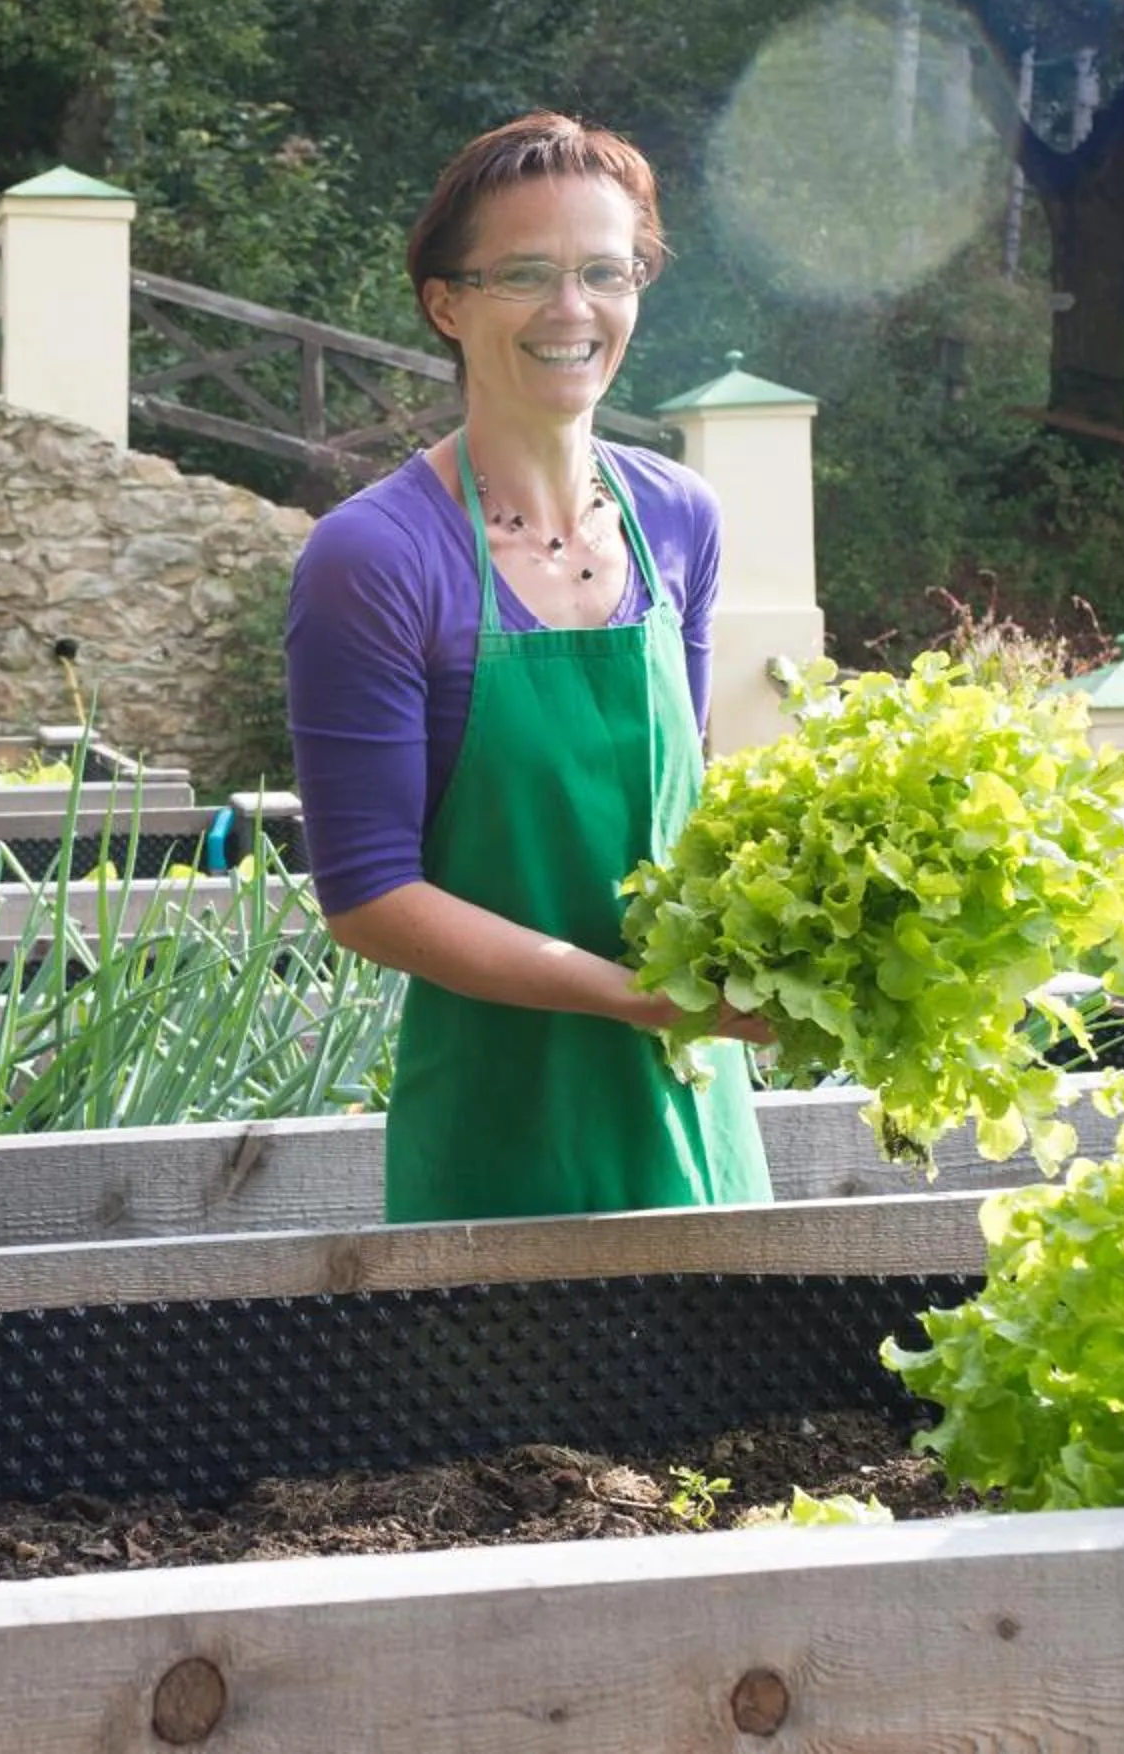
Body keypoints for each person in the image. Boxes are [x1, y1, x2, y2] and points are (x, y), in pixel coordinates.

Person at [283, 111, 774, 1224]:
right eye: (525, 276)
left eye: (608, 271)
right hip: (504, 1127)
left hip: (698, 1110)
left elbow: (679, 819)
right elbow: (368, 898)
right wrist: (636, 999)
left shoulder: (679, 518)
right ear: (447, 304)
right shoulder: (374, 557)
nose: (573, 311)